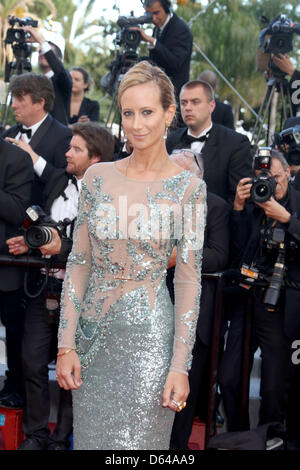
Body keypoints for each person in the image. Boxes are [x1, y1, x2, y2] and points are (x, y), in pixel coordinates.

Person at [56, 60, 206, 450]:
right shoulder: (97, 176)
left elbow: (189, 281)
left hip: (149, 345)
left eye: (147, 112)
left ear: (169, 113)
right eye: (128, 113)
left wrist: (180, 365)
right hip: (91, 342)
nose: (137, 124)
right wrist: (66, 343)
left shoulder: (188, 189)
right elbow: (79, 263)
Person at [6, 122, 115, 450]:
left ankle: (61, 437)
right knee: (31, 362)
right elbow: (42, 224)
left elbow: (101, 245)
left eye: (76, 149)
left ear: (94, 158)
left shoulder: (112, 196)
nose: (67, 153)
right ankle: (36, 434)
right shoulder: (57, 181)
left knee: (75, 371)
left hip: (87, 297)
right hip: (46, 289)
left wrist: (60, 246)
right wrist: (31, 242)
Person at [219, 149, 300, 435]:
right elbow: (239, 252)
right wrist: (239, 208)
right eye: (261, 178)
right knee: (229, 378)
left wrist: (287, 219)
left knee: (274, 386)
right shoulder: (256, 200)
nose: (269, 185)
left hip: (279, 303)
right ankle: (239, 436)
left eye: (275, 178)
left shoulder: (296, 202)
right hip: (247, 297)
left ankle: (270, 438)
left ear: (288, 173)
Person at [165, 149, 230, 450]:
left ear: (198, 178)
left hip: (194, 319)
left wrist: (179, 257)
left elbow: (219, 256)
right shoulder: (154, 205)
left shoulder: (216, 207)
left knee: (182, 402)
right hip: (154, 312)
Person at [166, 79, 252, 203]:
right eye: (184, 103)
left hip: (217, 219)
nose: (188, 108)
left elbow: (239, 199)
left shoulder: (235, 144)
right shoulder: (171, 140)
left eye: (195, 102)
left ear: (211, 106)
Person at [2, 73, 72, 207]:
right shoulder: (8, 134)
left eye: (20, 99)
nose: (13, 105)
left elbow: (64, 184)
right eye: (13, 99)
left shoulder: (64, 136)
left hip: (38, 221)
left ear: (40, 103)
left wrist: (34, 159)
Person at [0, 137, 33, 408]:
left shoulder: (16, 159)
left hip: (6, 266)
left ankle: (14, 389)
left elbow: (16, 211)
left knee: (14, 334)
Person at [137, 0, 193, 100]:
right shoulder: (157, 29)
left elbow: (175, 62)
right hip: (157, 92)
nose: (153, 18)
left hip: (173, 95)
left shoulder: (180, 28)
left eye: (156, 13)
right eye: (149, 14)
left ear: (166, 8)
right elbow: (156, 62)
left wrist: (152, 41)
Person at [22, 26, 72, 126]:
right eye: (40, 51)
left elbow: (60, 70)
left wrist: (40, 41)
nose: (41, 54)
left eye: (46, 52)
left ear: (58, 59)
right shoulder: (33, 81)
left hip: (56, 136)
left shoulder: (62, 79)